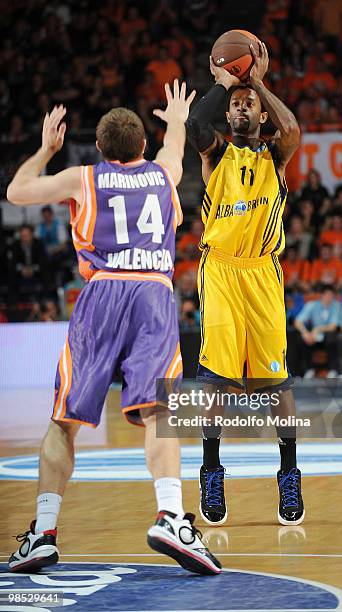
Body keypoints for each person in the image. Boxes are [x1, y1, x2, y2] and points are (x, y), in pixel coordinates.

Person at [7, 83, 221, 576]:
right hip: (152, 293)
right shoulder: (164, 176)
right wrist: (177, 121)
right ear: (142, 146)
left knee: (64, 421)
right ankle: (169, 516)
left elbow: (17, 191)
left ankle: (43, 533)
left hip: (101, 294)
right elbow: (173, 150)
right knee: (158, 412)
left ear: (99, 149)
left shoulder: (82, 177)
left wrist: (45, 149)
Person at [186, 42, 304, 526]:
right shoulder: (215, 155)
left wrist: (254, 80)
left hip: (262, 273)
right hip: (221, 272)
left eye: (246, 103)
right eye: (234, 104)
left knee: (276, 382)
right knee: (215, 380)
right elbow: (196, 126)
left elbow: (293, 128)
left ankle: (290, 474)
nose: (238, 107)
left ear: (260, 111)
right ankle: (211, 472)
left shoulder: (277, 155)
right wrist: (224, 82)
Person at [294, 285, 341, 378]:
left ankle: (332, 370)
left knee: (332, 338)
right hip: (313, 337)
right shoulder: (312, 305)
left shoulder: (336, 306)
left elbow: (333, 326)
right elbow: (298, 321)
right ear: (322, 295)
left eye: (331, 295)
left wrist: (318, 329)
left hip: (326, 336)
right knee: (300, 338)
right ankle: (307, 370)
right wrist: (305, 333)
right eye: (327, 295)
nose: (329, 298)